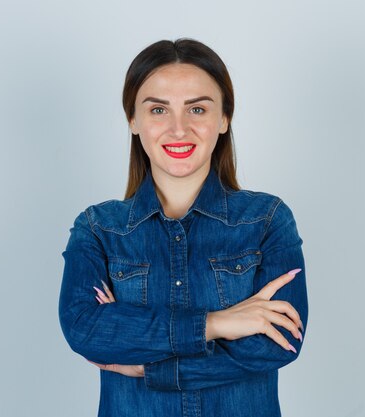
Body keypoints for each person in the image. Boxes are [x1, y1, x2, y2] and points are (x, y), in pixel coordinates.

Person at [58, 37, 308, 417]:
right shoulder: (98, 229)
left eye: (197, 109)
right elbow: (85, 329)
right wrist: (217, 324)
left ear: (224, 118)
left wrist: (149, 366)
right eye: (158, 109)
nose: (178, 128)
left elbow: (278, 343)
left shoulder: (267, 220)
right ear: (133, 120)